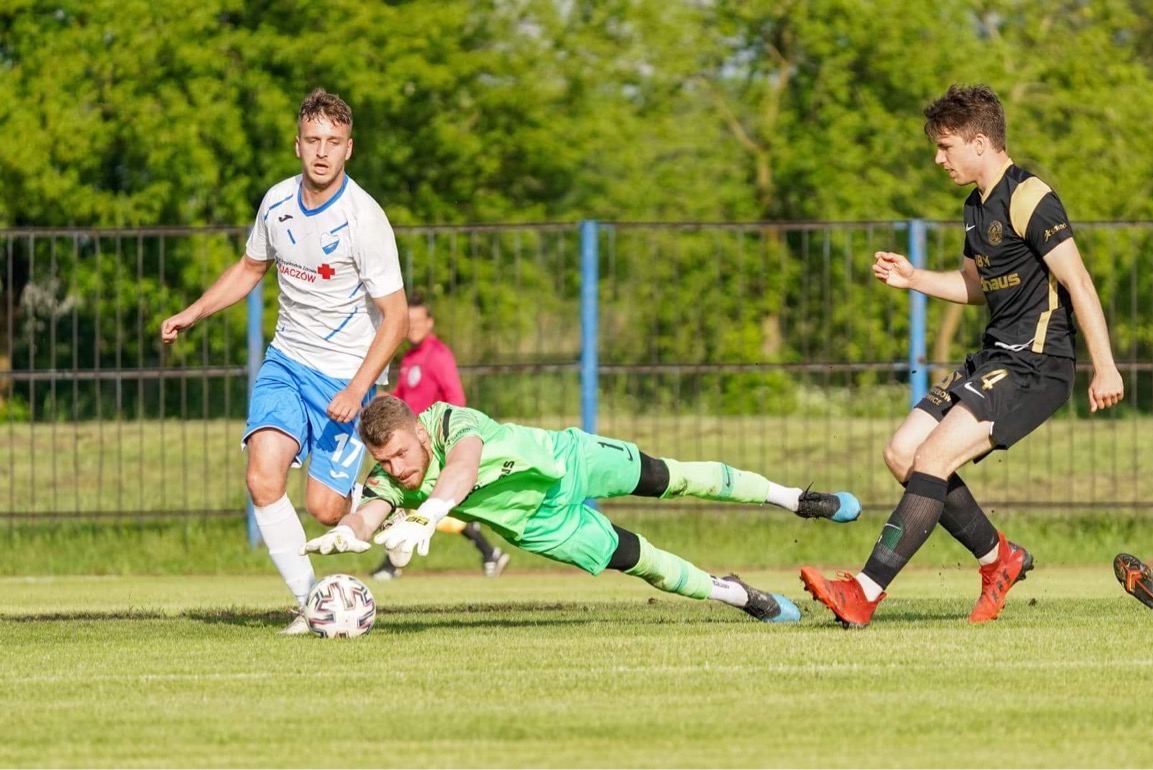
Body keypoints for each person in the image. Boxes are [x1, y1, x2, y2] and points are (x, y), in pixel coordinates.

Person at [800, 83, 1125, 628]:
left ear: (980, 142)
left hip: (1035, 362)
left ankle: (863, 592)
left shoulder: (1029, 197)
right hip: (995, 354)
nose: (938, 158)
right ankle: (1001, 560)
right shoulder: (974, 208)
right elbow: (978, 286)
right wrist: (913, 279)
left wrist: (1106, 365)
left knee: (932, 460)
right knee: (903, 454)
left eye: (945, 146)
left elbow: (1080, 283)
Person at [161, 89, 408, 635]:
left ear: (349, 150)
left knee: (324, 509)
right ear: (297, 144)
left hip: (346, 375)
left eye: (334, 142)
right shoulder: (276, 203)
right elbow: (251, 268)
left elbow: (397, 318)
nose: (322, 152)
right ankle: (309, 603)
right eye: (313, 140)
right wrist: (194, 311)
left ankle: (395, 498)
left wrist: (358, 387)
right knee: (261, 476)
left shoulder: (364, 219)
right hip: (286, 362)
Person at [300, 395, 863, 624]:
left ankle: (796, 499)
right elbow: (371, 509)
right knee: (644, 563)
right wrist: (349, 532)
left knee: (675, 477)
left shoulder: (450, 421)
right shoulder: (391, 478)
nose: (398, 470)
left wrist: (433, 509)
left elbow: (463, 468)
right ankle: (740, 595)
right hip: (543, 525)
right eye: (386, 461)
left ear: (418, 432)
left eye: (401, 454)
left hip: (571, 461)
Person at [370, 289, 510, 581]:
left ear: (430, 323)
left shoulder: (439, 356)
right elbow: (401, 401)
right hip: (409, 449)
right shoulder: (408, 359)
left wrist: (449, 443)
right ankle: (489, 553)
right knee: (430, 507)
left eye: (420, 322)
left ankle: (392, 565)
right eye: (410, 322)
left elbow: (456, 401)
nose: (415, 327)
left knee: (425, 505)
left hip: (433, 447)